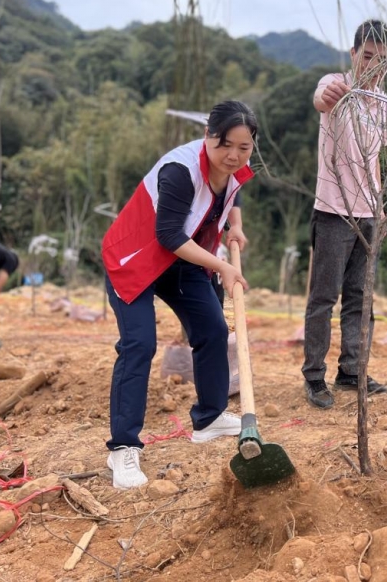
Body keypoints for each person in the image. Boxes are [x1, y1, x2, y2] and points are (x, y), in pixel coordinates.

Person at [101, 100, 256, 489]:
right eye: (225, 145)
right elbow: (168, 234)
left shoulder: (229, 167)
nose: (234, 156)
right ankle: (122, 449)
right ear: (207, 135)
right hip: (135, 257)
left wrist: (233, 227)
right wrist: (222, 265)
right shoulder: (180, 171)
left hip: (179, 260)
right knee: (139, 344)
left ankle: (209, 417)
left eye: (245, 147)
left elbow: (232, 195)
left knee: (213, 329)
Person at [301, 19, 387, 409]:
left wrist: (380, 205)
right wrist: (333, 93)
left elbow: (375, 161)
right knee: (324, 299)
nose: (372, 66)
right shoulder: (336, 84)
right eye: (367, 56)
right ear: (354, 54)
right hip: (333, 212)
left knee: (361, 298)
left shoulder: (384, 105)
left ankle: (352, 371)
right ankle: (314, 377)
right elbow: (322, 98)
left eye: (381, 61)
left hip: (368, 213)